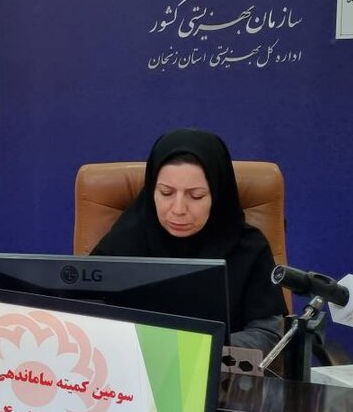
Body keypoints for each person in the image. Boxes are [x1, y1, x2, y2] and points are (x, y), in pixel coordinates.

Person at [90, 128, 288, 354]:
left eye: (196, 196)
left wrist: (192, 350)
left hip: (220, 370)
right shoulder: (124, 241)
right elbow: (83, 313)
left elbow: (267, 334)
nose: (178, 209)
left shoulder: (249, 247)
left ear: (217, 194)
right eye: (166, 193)